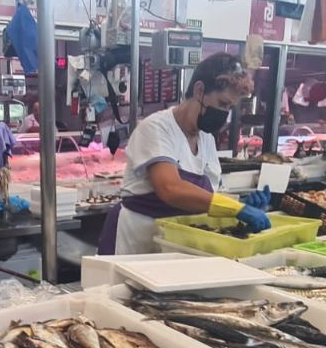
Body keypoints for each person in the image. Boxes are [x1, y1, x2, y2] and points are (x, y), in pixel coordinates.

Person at [98, 52, 270, 255]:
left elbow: (210, 196)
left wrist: (239, 207)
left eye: (230, 107)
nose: (225, 113)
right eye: (223, 104)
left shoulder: (206, 139)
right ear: (199, 90)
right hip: (136, 242)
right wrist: (234, 208)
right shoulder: (157, 128)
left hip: (175, 244)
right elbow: (170, 187)